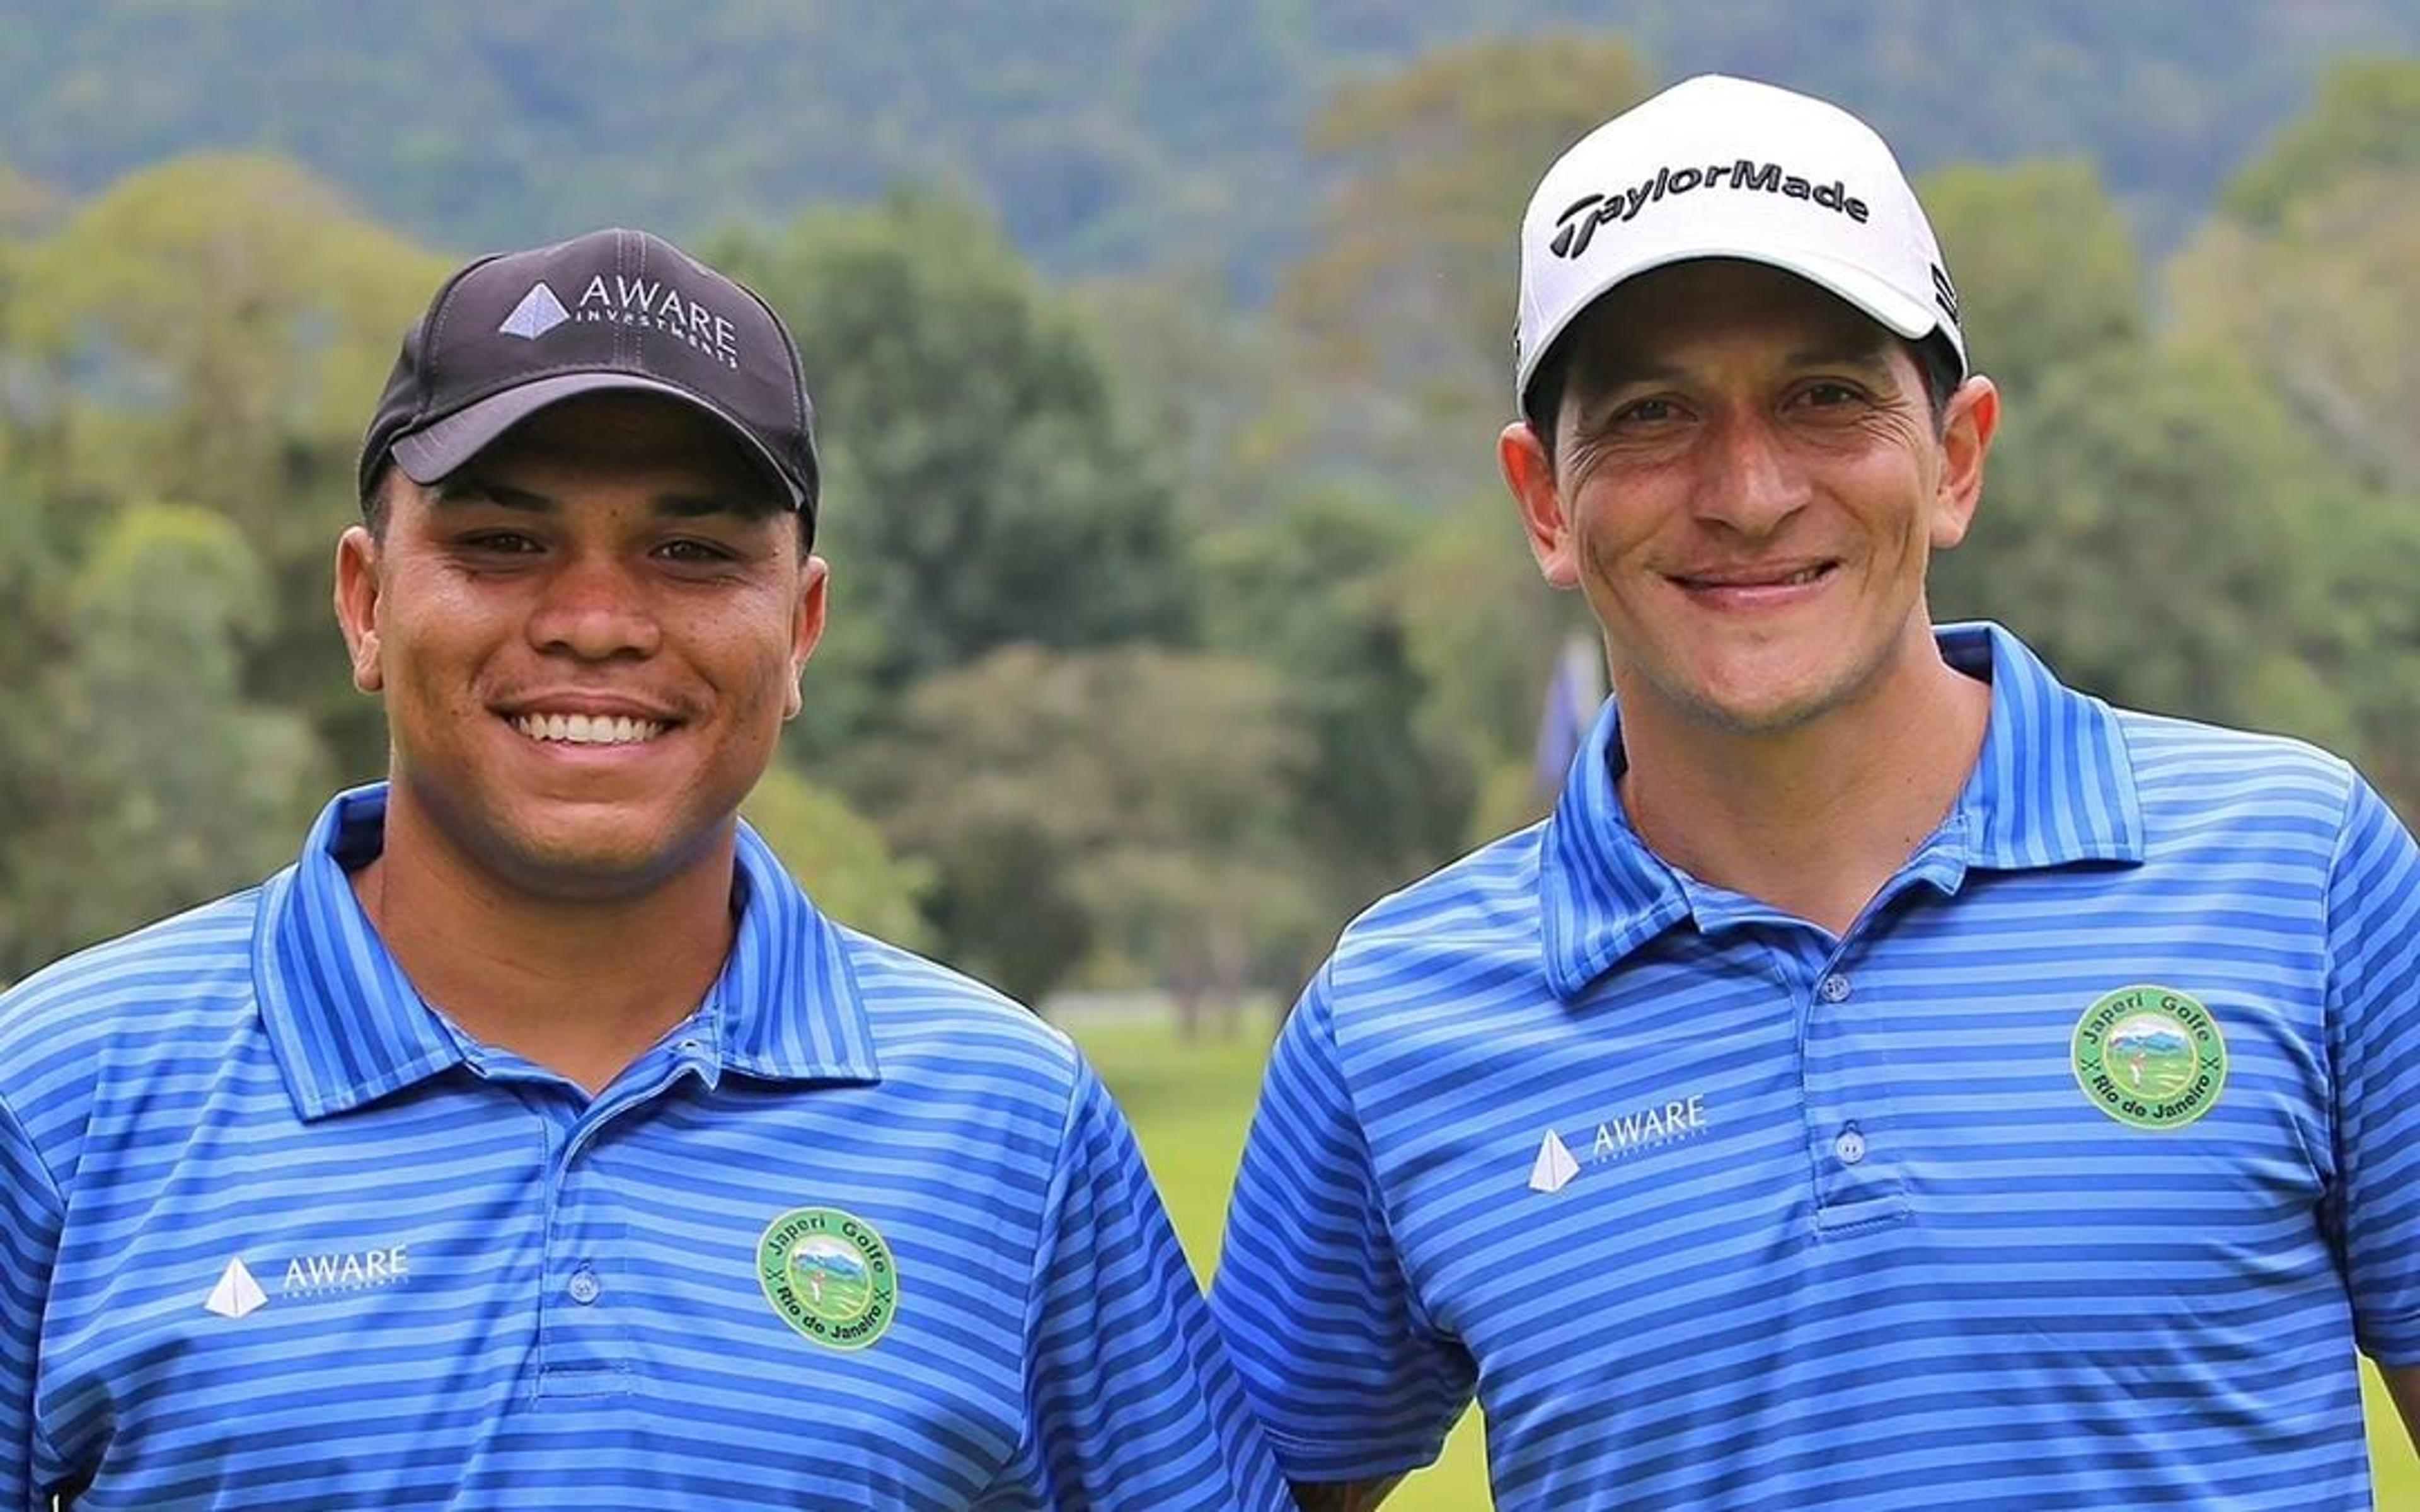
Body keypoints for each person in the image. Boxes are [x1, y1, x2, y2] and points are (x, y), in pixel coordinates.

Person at [1210, 74, 2420, 1510]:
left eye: (1827, 398)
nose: (1750, 489)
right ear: (1545, 501)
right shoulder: (1392, 1018)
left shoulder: (2301, 870)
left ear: (1956, 458)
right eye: (1655, 413)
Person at [0, 227, 1289, 1510]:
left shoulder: (1012, 1123)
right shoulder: (60, 1099)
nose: (598, 623)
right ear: (365, 603)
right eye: (504, 542)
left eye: (693, 553)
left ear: (800, 629)